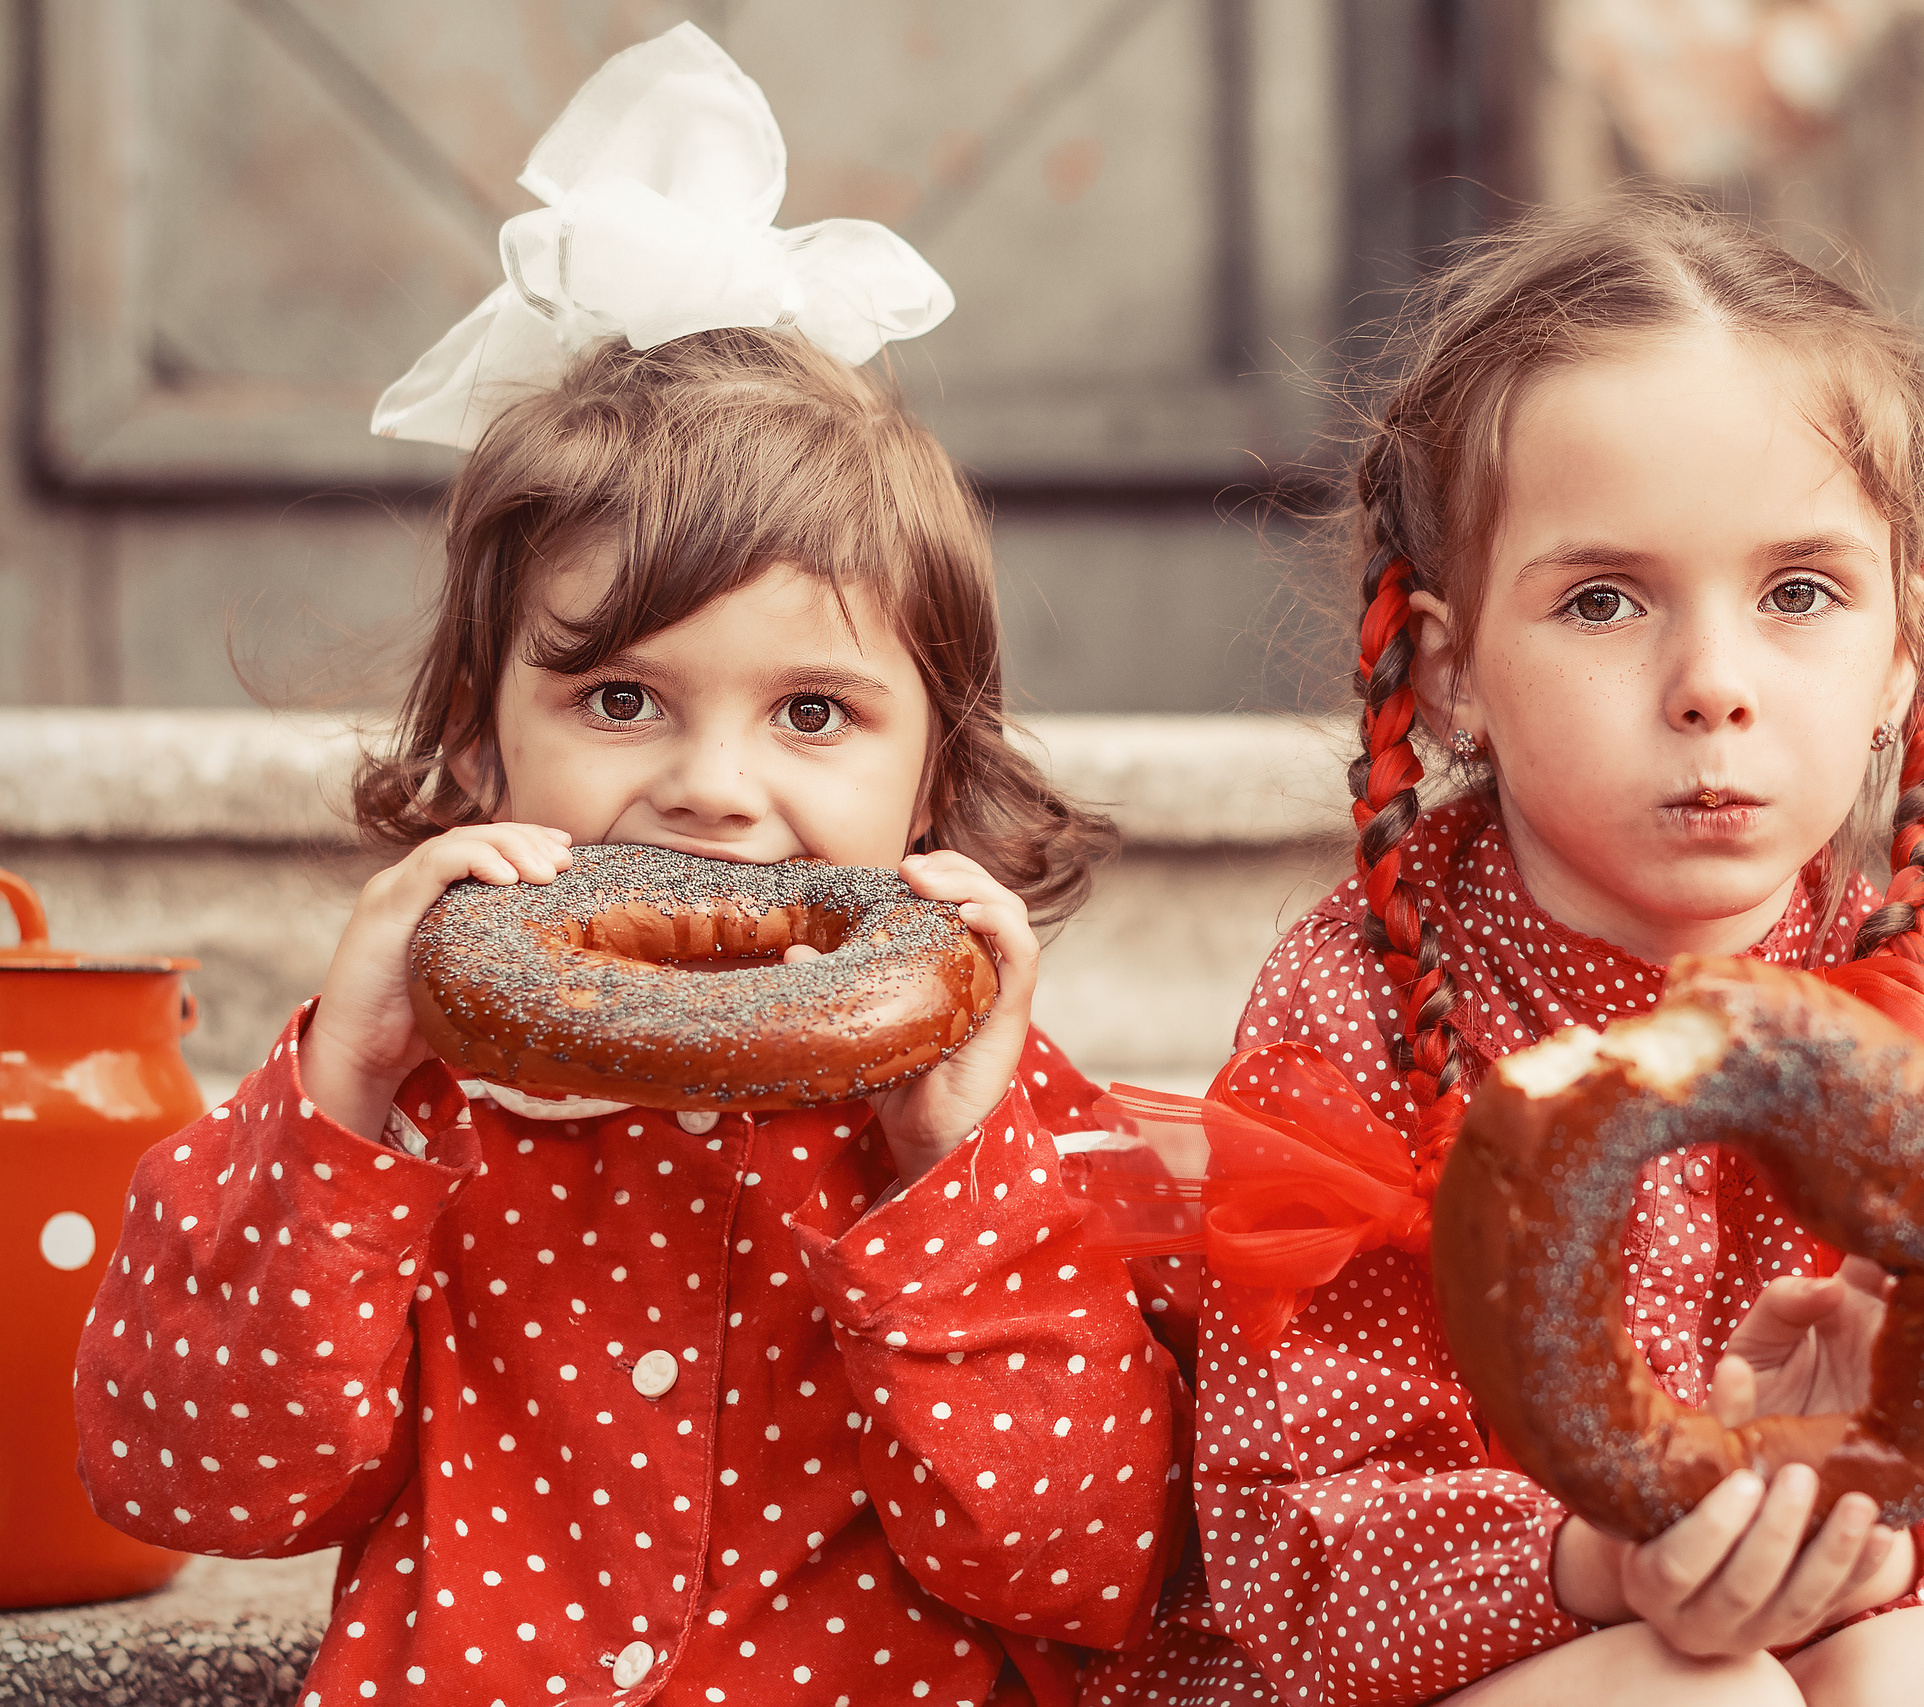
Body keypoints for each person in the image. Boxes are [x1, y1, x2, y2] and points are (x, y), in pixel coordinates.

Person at [74, 27, 1183, 1707]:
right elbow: (193, 1486)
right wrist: (338, 1101)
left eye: (814, 710)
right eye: (620, 696)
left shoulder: (1006, 1131)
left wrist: (952, 1171)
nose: (714, 790)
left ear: (934, 774)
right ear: (475, 743)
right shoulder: (400, 1117)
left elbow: (1082, 1567)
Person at [1087, 191, 1924, 1706]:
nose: (1711, 685)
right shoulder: (1356, 1009)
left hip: (1838, 1620)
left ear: (1905, 653)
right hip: (1452, 1658)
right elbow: (1295, 1537)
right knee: (1695, 1694)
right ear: (1452, 676)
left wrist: (1867, 1540)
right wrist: (1602, 1562)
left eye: (1800, 593)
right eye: (1606, 600)